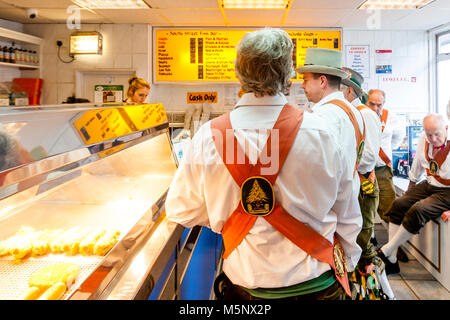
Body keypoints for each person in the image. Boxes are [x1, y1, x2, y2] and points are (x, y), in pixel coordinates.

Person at [165, 28, 361, 300]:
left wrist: (228, 213)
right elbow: (349, 215)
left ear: (238, 75)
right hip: (317, 285)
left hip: (245, 291)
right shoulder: (324, 133)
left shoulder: (209, 136)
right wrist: (347, 263)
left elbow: (181, 210)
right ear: (289, 76)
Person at [378, 114, 450, 274]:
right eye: (429, 134)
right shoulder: (425, 138)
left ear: (446, 128)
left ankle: (387, 250)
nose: (432, 138)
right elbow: (417, 162)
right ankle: (392, 260)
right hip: (429, 183)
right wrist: (410, 188)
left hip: (447, 192)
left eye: (436, 134)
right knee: (398, 204)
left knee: (419, 209)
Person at [341, 67, 382, 270]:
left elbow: (369, 156)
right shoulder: (348, 112)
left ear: (350, 91)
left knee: (363, 242)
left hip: (364, 184)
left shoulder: (364, 114)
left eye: (339, 87)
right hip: (354, 183)